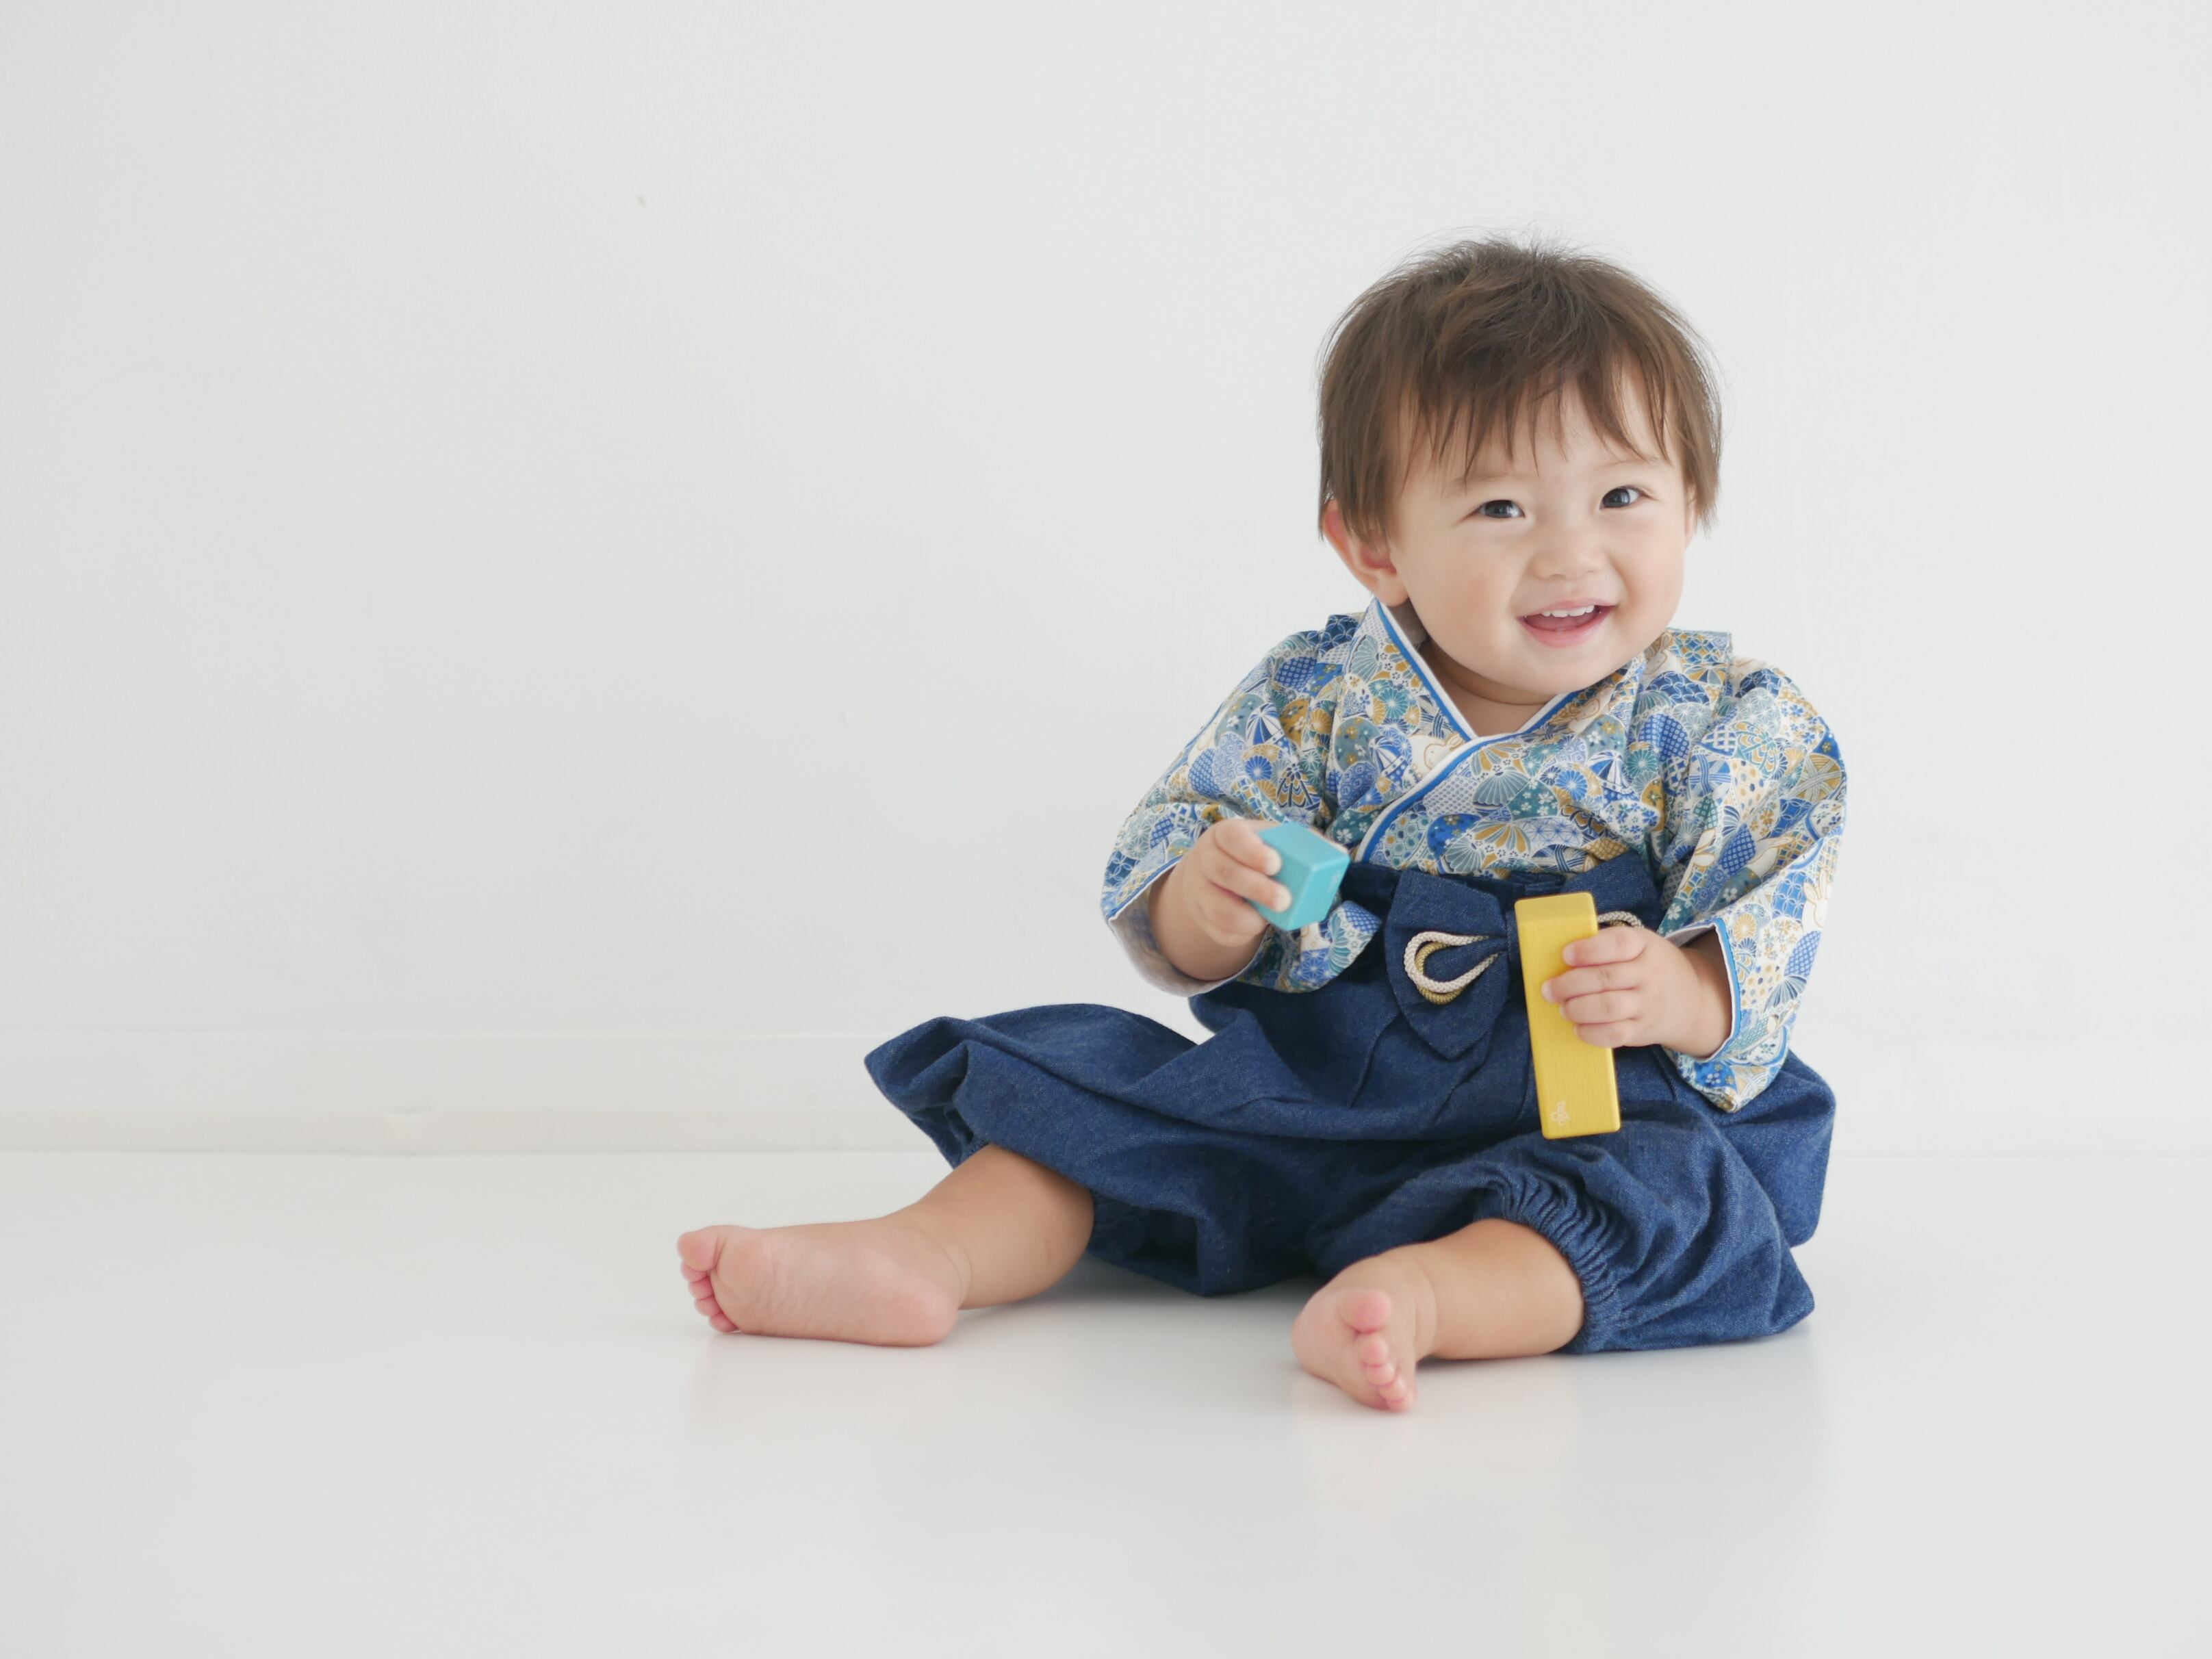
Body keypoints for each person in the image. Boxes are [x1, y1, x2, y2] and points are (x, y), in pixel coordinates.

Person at [677, 233, 1848, 1413]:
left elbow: (1774, 905)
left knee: (1666, 1197)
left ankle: (1427, 1297)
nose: (1570, 552)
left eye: (1623, 497)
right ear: (1374, 545)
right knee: (1100, 1099)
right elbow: (1180, 901)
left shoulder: (1721, 723)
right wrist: (1210, 901)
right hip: (1318, 1096)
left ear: (1692, 501)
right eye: (1500, 506)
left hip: (1586, 1101)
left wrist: (1684, 991)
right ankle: (925, 1254)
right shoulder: (1315, 701)